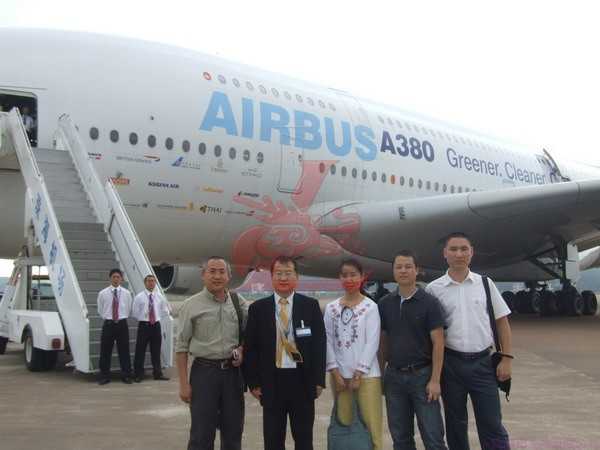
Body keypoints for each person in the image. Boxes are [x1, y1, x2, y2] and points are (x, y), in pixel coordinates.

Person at [426, 232, 513, 450]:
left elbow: (502, 322)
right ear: (445, 253)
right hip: (451, 365)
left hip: (483, 364)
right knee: (455, 424)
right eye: (453, 249)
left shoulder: (485, 284)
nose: (459, 254)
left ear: (472, 252)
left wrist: (506, 359)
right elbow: (430, 333)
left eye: (464, 249)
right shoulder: (434, 289)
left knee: (492, 422)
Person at [243, 255, 326, 450]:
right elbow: (251, 348)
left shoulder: (310, 306)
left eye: (288, 273)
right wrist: (253, 383)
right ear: (271, 277)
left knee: (304, 440)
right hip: (272, 383)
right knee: (273, 440)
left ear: (297, 277)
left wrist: (319, 380)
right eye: (278, 273)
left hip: (302, 381)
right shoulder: (258, 309)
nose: (283, 278)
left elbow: (319, 345)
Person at [176, 257, 247, 450]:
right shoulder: (191, 305)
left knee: (233, 433)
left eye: (222, 272)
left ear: (229, 276)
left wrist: (242, 349)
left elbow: (250, 333)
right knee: (201, 435)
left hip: (232, 375)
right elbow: (181, 347)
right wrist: (183, 384)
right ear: (203, 275)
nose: (217, 276)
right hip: (204, 374)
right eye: (212, 271)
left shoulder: (238, 302)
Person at [378, 250, 447, 450]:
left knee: (433, 438)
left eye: (408, 266)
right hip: (394, 378)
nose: (403, 271)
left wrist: (435, 380)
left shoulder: (430, 303)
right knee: (400, 439)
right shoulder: (385, 304)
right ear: (393, 271)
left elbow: (439, 343)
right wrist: (381, 375)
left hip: (422, 377)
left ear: (417, 270)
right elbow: (382, 343)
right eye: (398, 267)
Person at [324, 259, 383, 450]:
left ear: (362, 277)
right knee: (345, 427)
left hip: (367, 377)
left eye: (353, 275)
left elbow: (372, 342)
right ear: (339, 278)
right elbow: (327, 341)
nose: (349, 279)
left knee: (371, 429)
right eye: (345, 275)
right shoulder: (331, 308)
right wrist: (335, 373)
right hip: (340, 379)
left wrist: (358, 374)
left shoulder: (370, 307)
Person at [97, 268, 133, 385]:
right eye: (114, 277)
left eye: (118, 277)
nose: (116, 279)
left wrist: (120, 318)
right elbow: (100, 310)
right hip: (109, 324)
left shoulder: (127, 293)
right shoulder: (103, 293)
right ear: (110, 278)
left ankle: (126, 375)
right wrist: (110, 318)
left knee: (124, 351)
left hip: (122, 324)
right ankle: (104, 376)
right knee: (105, 351)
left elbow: (128, 308)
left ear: (121, 279)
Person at [132, 274, 171, 382]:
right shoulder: (139, 297)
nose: (151, 283)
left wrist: (156, 317)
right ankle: (138, 374)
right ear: (145, 283)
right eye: (149, 281)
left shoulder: (159, 296)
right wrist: (145, 317)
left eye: (153, 281)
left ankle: (157, 373)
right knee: (140, 351)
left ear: (155, 283)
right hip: (144, 325)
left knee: (156, 350)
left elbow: (164, 310)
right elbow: (135, 312)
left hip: (156, 326)